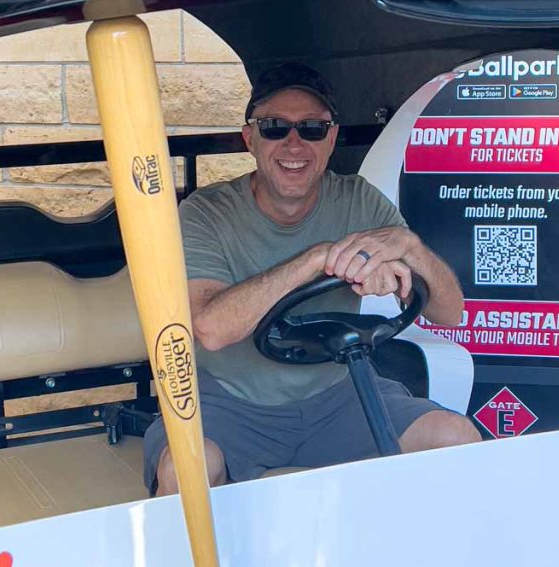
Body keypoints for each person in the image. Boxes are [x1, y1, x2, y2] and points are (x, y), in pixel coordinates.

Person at [144, 63, 481, 495]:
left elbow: (450, 313)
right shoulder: (206, 213)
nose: (294, 144)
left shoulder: (357, 200)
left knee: (455, 438)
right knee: (185, 471)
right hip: (229, 404)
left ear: (332, 138)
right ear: (249, 139)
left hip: (340, 395)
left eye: (312, 129)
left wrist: (410, 247)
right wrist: (318, 258)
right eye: (273, 128)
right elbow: (209, 329)